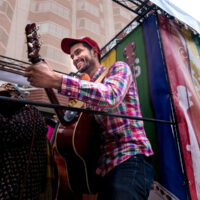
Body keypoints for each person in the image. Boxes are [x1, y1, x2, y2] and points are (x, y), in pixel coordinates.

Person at [24, 37, 154, 200]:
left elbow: (111, 96)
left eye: (78, 52)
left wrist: (56, 79)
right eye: (72, 56)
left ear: (94, 51)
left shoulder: (119, 68)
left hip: (129, 156)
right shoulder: (84, 92)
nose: (75, 58)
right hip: (103, 168)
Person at [0, 83, 55, 200]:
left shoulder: (29, 112)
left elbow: (11, 132)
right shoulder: (9, 115)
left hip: (16, 190)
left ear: (15, 95)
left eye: (4, 95)